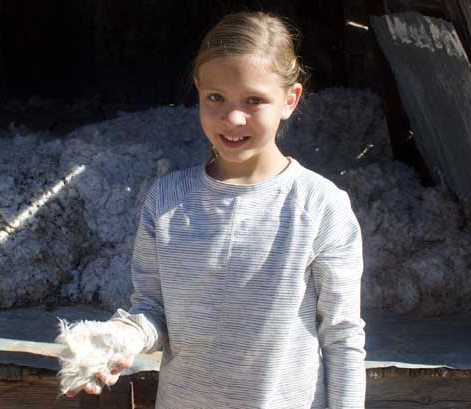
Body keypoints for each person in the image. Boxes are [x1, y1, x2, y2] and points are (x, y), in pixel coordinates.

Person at [64, 11, 366, 408]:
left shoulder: (319, 206)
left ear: (290, 100)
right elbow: (152, 311)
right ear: (198, 91)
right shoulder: (167, 199)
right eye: (215, 98)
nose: (233, 118)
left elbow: (342, 336)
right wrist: (120, 339)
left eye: (254, 100)